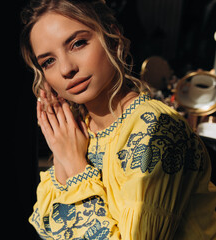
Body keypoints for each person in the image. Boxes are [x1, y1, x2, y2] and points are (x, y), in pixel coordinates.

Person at [20, 0, 216, 239]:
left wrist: (74, 166)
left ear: (113, 38)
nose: (66, 69)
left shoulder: (157, 128)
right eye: (48, 61)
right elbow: (49, 230)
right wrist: (62, 156)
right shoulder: (77, 132)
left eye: (78, 44)